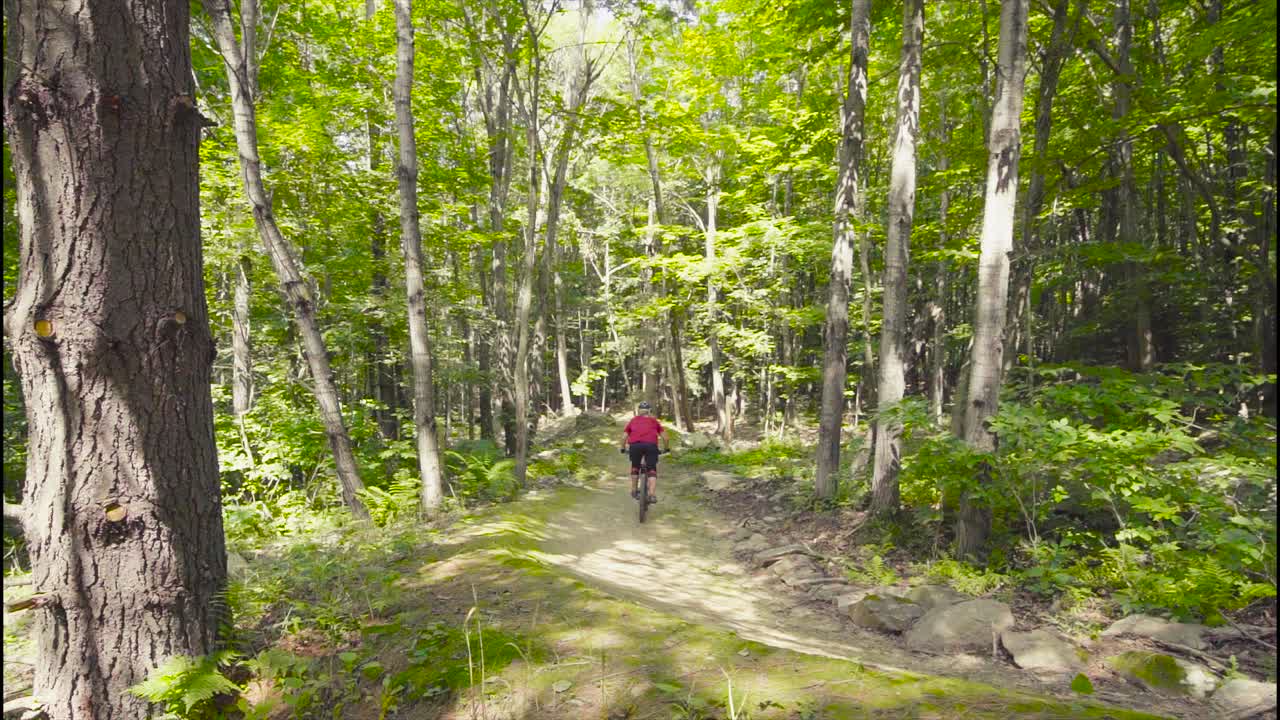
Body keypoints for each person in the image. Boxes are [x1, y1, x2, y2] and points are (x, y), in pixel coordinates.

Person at [619, 401, 669, 502]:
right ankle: (652, 495)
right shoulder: (654, 421)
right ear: (649, 411)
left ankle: (634, 490)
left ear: (639, 411)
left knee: (635, 467)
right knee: (652, 469)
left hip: (635, 446)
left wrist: (623, 448)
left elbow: (623, 437)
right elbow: (666, 438)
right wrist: (666, 449)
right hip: (651, 446)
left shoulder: (633, 421)